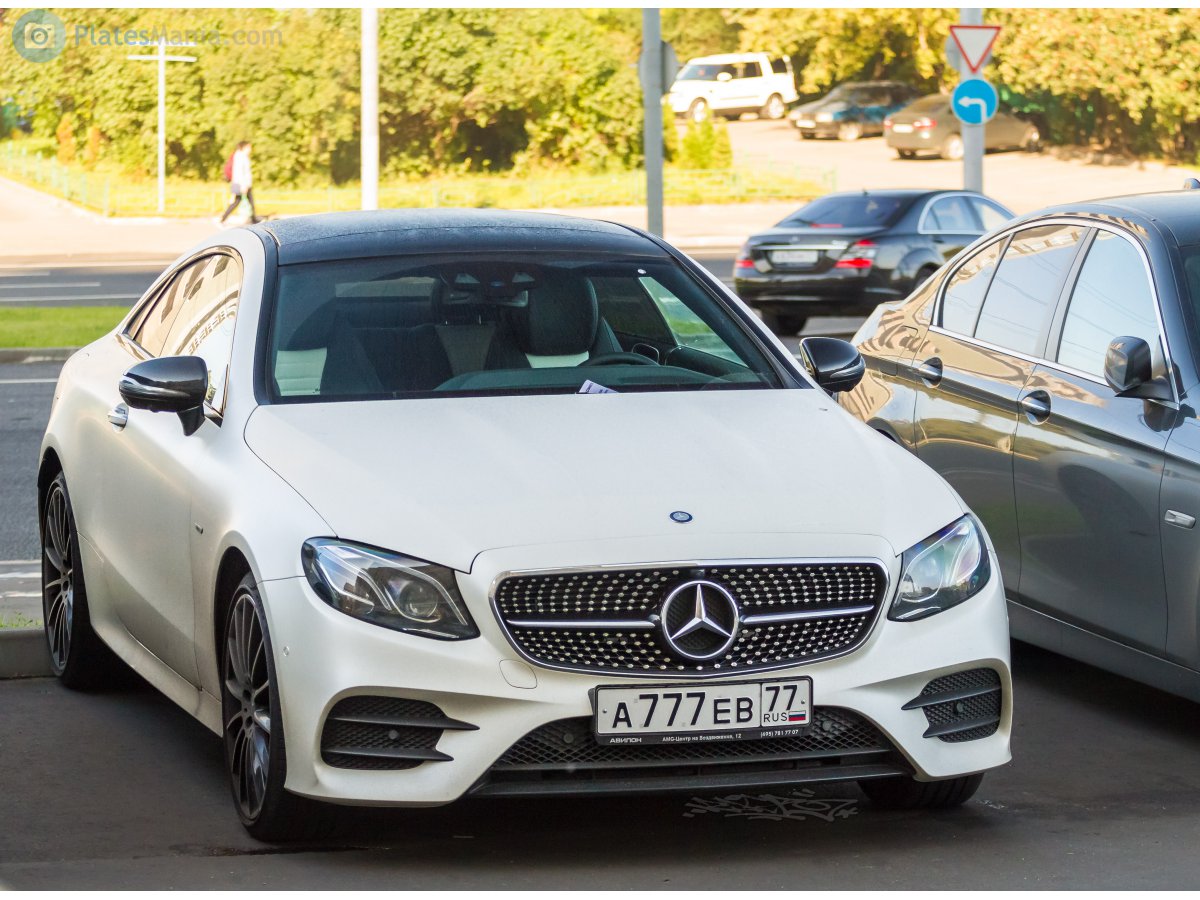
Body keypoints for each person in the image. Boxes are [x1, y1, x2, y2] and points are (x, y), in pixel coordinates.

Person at [219, 141, 258, 225]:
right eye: (249, 147)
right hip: (242, 184)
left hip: (242, 183)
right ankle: (254, 219)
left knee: (240, 201)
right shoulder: (240, 157)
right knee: (241, 201)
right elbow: (240, 173)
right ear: (244, 147)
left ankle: (223, 218)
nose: (250, 149)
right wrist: (243, 185)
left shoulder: (241, 156)